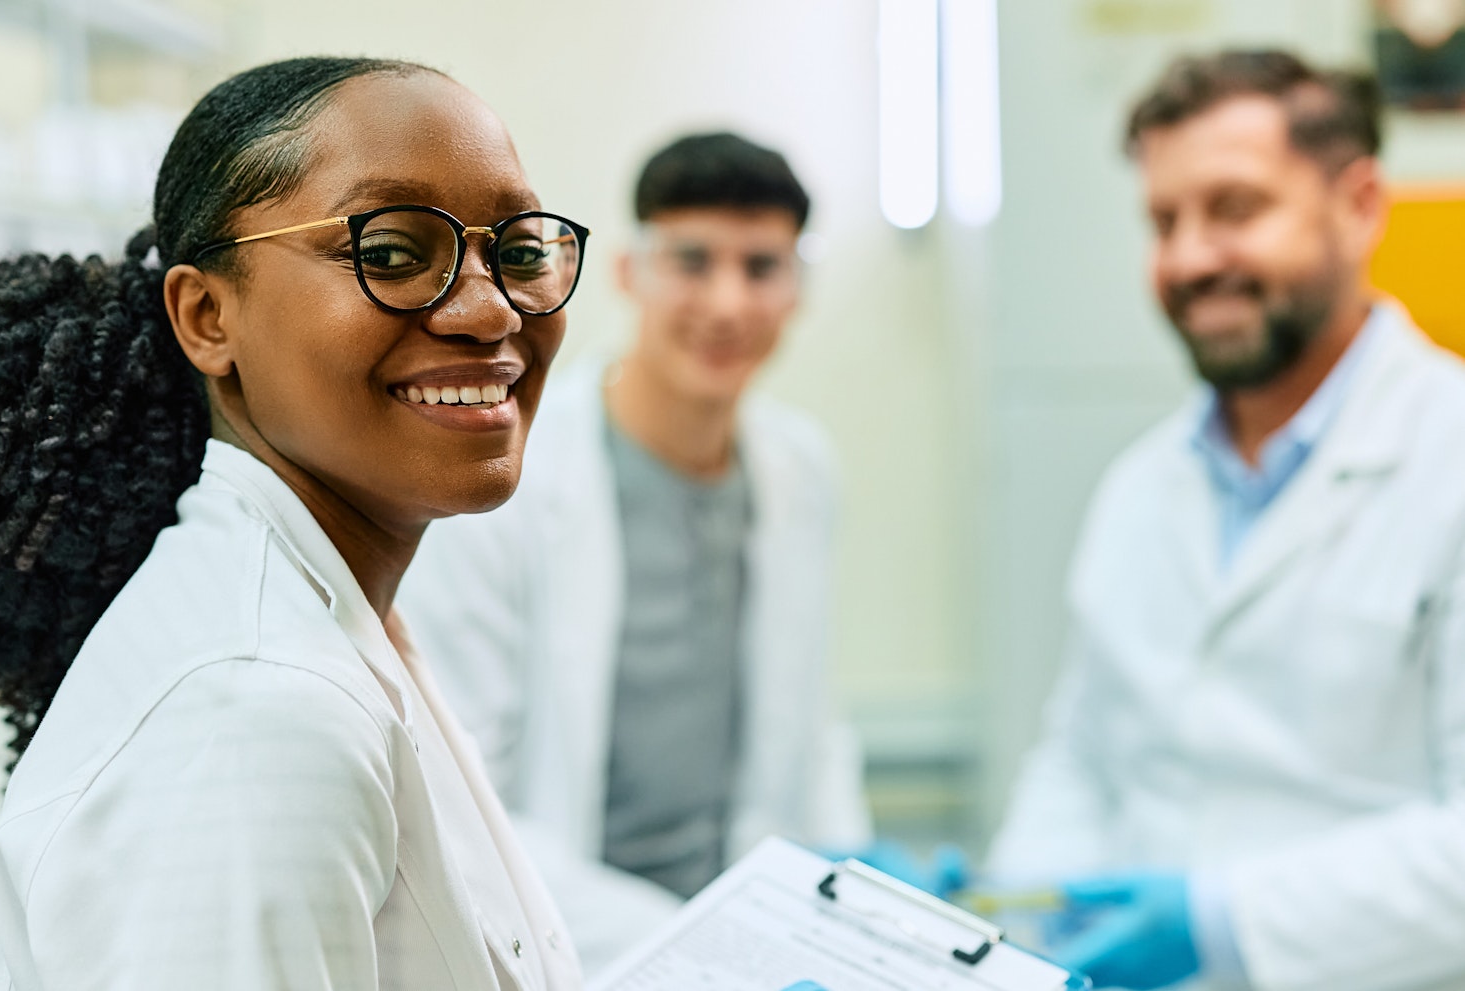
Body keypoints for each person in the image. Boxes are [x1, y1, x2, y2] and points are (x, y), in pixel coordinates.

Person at [0, 57, 591, 990]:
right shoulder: (258, 714)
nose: (490, 307)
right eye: (390, 252)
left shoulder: (331, 616)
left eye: (516, 253)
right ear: (207, 314)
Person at [988, 50, 1465, 990]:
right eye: (1164, 221)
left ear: (1360, 207)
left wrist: (1218, 920)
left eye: (1235, 209)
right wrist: (1007, 913)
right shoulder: (1140, 485)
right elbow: (1081, 757)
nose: (1190, 258)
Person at [397, 132, 870, 971]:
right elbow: (466, 807)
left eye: (761, 267)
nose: (728, 303)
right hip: (561, 945)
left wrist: (851, 878)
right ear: (628, 273)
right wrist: (718, 949)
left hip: (752, 935)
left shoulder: (802, 471)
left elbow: (807, 724)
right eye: (692, 260)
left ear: (797, 287)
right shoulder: (509, 480)